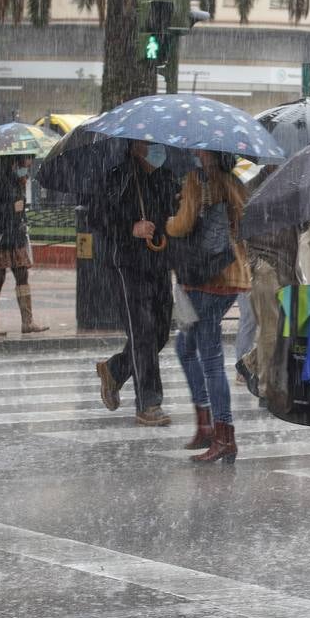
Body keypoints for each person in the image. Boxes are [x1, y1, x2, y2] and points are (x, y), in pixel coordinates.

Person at [167, 150, 252, 463]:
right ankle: (207, 425)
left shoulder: (195, 180)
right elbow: (246, 221)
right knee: (185, 346)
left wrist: (169, 220)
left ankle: (223, 433)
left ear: (207, 152)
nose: (194, 152)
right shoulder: (234, 182)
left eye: (199, 148)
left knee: (210, 357)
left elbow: (182, 224)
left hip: (204, 279)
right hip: (232, 275)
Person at [92, 141, 179, 427]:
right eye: (149, 143)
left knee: (161, 332)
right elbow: (97, 216)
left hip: (158, 263)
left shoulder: (165, 176)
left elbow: (173, 214)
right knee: (142, 332)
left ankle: (115, 369)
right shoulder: (117, 176)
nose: (157, 148)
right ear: (134, 146)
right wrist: (131, 227)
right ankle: (149, 402)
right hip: (127, 265)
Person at [241, 167, 301, 408]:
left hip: (287, 267)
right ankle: (266, 390)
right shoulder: (252, 186)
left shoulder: (294, 185)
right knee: (270, 331)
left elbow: (304, 223)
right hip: (266, 268)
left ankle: (251, 363)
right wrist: (254, 262)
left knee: (285, 329)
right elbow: (237, 226)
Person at [0, 154, 48, 336]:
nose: (30, 163)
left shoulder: (18, 179)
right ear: (16, 160)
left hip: (15, 234)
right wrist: (11, 208)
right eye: (28, 159)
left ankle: (27, 321)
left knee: (22, 273)